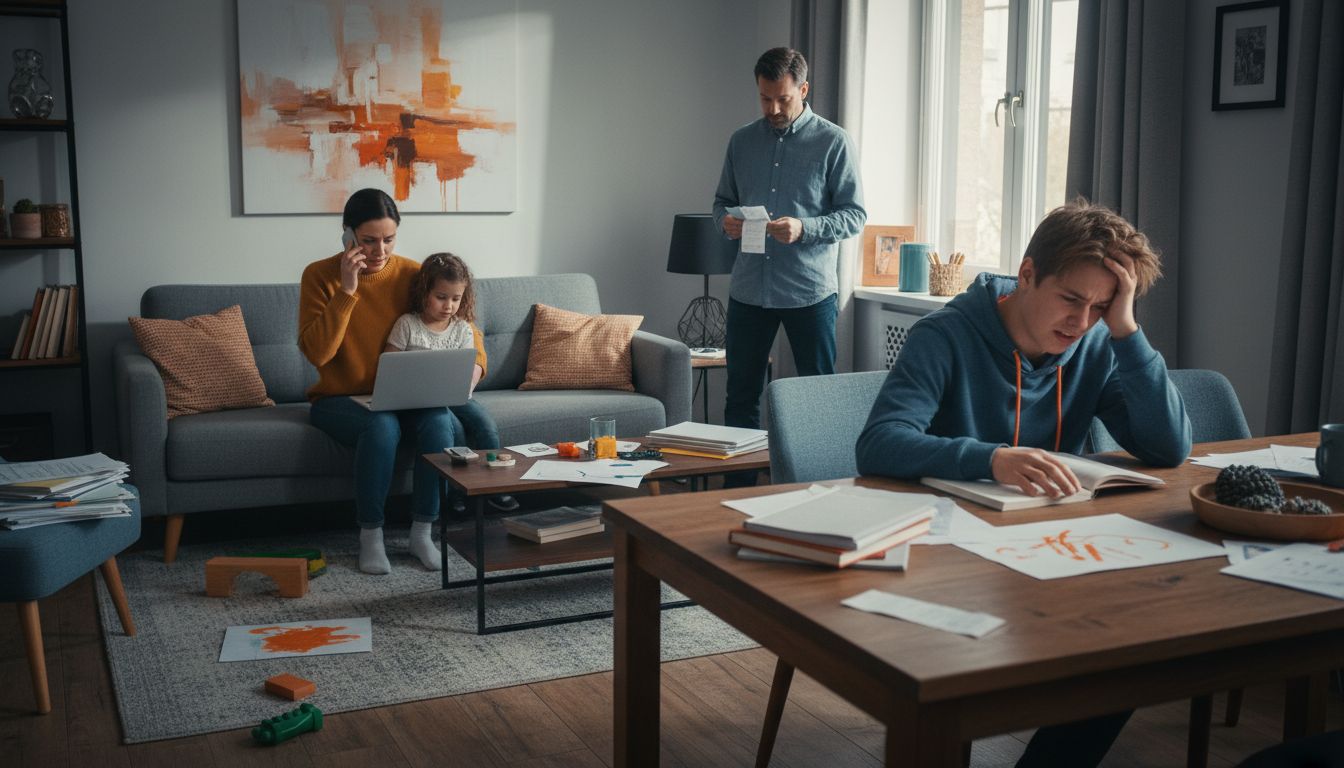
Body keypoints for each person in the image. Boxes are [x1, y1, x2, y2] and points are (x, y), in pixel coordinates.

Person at [856, 199, 1192, 767]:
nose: (1082, 321)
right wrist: (992, 459)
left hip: (1055, 553)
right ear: (1027, 274)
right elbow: (880, 442)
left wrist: (1127, 332)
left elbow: (1169, 447)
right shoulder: (945, 336)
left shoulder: (1092, 345)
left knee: (1133, 652)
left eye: (1101, 306)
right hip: (951, 561)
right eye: (1071, 299)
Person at [299, 188, 486, 576]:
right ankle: (371, 535)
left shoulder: (410, 274)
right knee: (380, 426)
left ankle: (423, 532)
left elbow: (467, 332)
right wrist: (347, 290)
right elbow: (318, 353)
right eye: (368, 241)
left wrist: (473, 370)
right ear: (347, 235)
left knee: (440, 422)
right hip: (340, 400)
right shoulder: (319, 276)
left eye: (389, 239)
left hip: (407, 398)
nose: (379, 251)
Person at [712, 46, 866, 485]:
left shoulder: (834, 142)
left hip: (809, 291)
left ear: (803, 89)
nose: (774, 109)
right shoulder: (741, 141)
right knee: (740, 398)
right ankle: (736, 494)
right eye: (765, 99)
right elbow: (721, 201)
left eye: (783, 99)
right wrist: (724, 223)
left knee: (818, 398)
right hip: (748, 291)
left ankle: (823, 489)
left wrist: (805, 228)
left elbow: (854, 215)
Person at [385, 252, 517, 512]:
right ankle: (455, 493)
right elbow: (389, 366)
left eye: (456, 299)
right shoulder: (407, 325)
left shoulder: (462, 328)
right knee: (454, 430)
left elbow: (466, 365)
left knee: (485, 424)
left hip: (455, 394)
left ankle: (495, 486)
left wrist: (463, 388)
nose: (449, 306)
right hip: (420, 400)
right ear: (424, 292)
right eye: (441, 297)